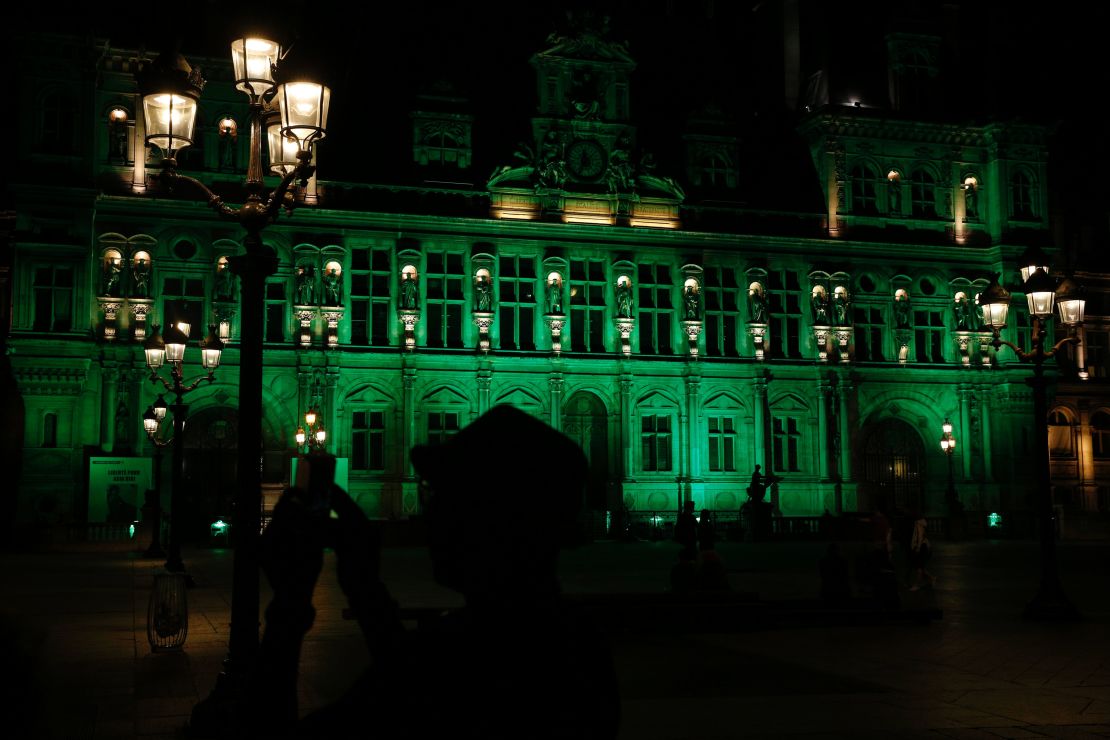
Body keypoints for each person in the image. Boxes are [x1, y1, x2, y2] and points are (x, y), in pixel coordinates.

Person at [231, 406, 621, 739]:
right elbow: (406, 672)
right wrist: (366, 589)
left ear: (494, 520)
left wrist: (289, 606)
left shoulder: (464, 662)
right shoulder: (572, 644)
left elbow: (408, 684)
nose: (430, 514)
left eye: (445, 496)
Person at [908, 511, 937, 591]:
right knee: (920, 567)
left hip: (921, 547)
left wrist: (918, 547)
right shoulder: (920, 523)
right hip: (921, 546)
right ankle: (931, 578)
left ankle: (917, 585)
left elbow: (920, 536)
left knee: (919, 567)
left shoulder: (919, 524)